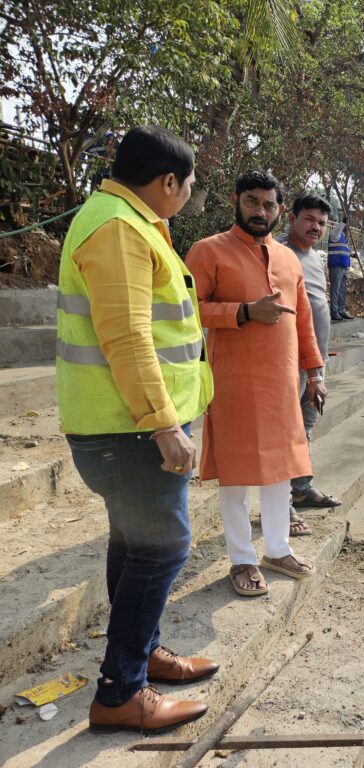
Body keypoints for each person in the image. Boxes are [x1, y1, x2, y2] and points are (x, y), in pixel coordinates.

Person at [57, 126, 217, 733]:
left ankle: (143, 656)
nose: (189, 196)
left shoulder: (126, 220)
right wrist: (164, 425)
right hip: (130, 429)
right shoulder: (119, 228)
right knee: (163, 547)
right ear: (167, 181)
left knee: (134, 544)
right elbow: (126, 337)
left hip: (124, 425)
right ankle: (122, 691)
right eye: (189, 186)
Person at [186, 170, 325, 597]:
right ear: (236, 201)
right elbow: (187, 309)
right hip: (232, 381)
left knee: (280, 470)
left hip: (282, 383)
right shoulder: (208, 251)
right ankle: (242, 559)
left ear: (280, 209)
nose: (260, 211)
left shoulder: (288, 259)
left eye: (268, 204)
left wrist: (314, 372)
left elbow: (303, 321)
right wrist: (242, 313)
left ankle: (278, 549)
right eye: (252, 201)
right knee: (236, 473)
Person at [277, 195, 341, 532]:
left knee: (307, 426)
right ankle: (281, 505)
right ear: (292, 217)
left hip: (316, 360)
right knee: (287, 432)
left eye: (322, 223)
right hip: (289, 360)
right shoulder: (276, 252)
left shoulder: (314, 258)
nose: (316, 227)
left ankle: (300, 490)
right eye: (310, 219)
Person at [327, 217, 353, 321]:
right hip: (336, 265)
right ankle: (334, 312)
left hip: (343, 266)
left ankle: (341, 310)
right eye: (345, 227)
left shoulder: (344, 238)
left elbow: (344, 251)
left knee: (342, 289)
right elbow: (337, 229)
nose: (347, 229)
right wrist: (343, 222)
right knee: (336, 289)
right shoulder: (335, 235)